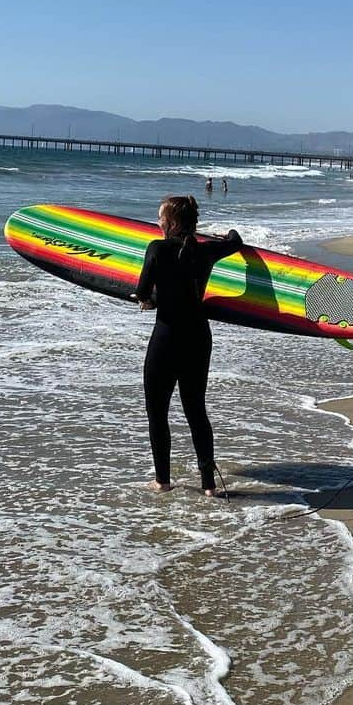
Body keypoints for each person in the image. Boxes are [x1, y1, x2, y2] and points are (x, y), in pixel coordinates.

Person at [135, 195, 242, 496]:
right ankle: (209, 485)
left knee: (158, 411)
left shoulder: (156, 249)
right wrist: (225, 237)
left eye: (160, 219)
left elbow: (142, 293)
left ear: (170, 223)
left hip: (167, 338)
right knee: (196, 410)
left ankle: (162, 481)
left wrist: (148, 300)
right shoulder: (206, 252)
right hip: (198, 338)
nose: (158, 223)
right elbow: (236, 240)